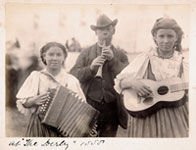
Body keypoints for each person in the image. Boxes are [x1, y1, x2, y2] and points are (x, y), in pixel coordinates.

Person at [114, 17, 189, 137]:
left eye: (170, 36)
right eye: (161, 36)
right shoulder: (145, 59)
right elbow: (120, 82)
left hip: (175, 116)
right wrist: (133, 83)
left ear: (176, 38)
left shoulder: (182, 62)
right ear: (155, 37)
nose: (165, 40)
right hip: (146, 116)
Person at [70, 14, 129, 137]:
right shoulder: (86, 52)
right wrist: (91, 68)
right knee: (87, 141)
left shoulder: (121, 54)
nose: (105, 32)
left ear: (113, 31)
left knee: (108, 142)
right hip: (89, 104)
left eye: (108, 29)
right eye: (101, 29)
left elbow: (127, 76)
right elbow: (73, 75)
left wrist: (113, 60)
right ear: (96, 32)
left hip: (111, 106)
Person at [16, 42, 86, 137]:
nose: (55, 58)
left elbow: (81, 108)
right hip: (39, 126)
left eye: (58, 55)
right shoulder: (36, 77)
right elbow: (23, 102)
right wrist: (33, 101)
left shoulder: (71, 80)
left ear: (64, 57)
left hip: (63, 128)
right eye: (51, 54)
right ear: (44, 57)